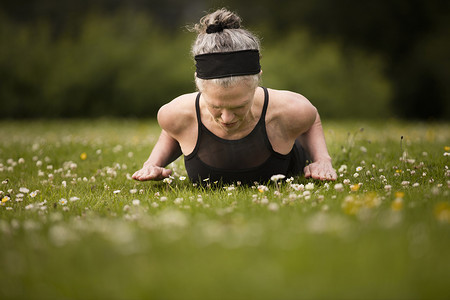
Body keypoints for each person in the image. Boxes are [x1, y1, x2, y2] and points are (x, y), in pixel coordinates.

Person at [132, 8, 337, 185]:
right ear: (197, 83)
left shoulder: (290, 109)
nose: (227, 118)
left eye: (239, 106)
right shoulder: (174, 113)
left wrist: (322, 159)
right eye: (216, 107)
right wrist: (153, 164)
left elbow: (311, 119)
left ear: (258, 81)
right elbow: (173, 131)